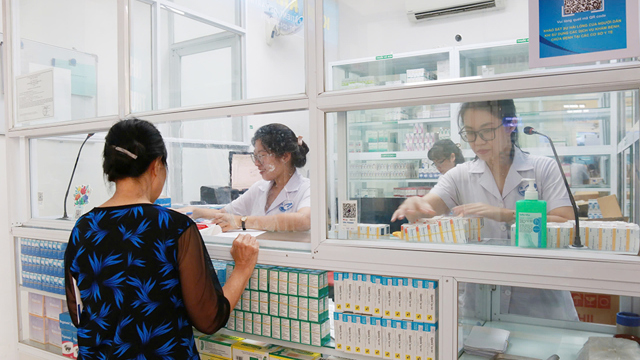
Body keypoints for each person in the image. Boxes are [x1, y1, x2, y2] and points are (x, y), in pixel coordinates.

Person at [64, 119, 259, 359]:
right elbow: (208, 320)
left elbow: (77, 313)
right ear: (156, 166)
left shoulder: (83, 228)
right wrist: (242, 268)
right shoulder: (174, 227)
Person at [392, 100, 578, 321]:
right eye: (470, 133)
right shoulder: (459, 175)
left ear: (511, 126)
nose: (478, 141)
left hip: (540, 307)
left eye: (487, 131)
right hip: (479, 307)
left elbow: (568, 225)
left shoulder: (543, 168)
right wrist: (415, 206)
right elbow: (426, 208)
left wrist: (504, 215)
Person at [179, 123, 311, 232]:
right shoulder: (259, 188)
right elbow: (225, 213)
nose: (257, 163)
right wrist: (196, 212)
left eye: (262, 155)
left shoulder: (307, 188)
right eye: (255, 156)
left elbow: (304, 220)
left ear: (285, 156)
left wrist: (243, 221)